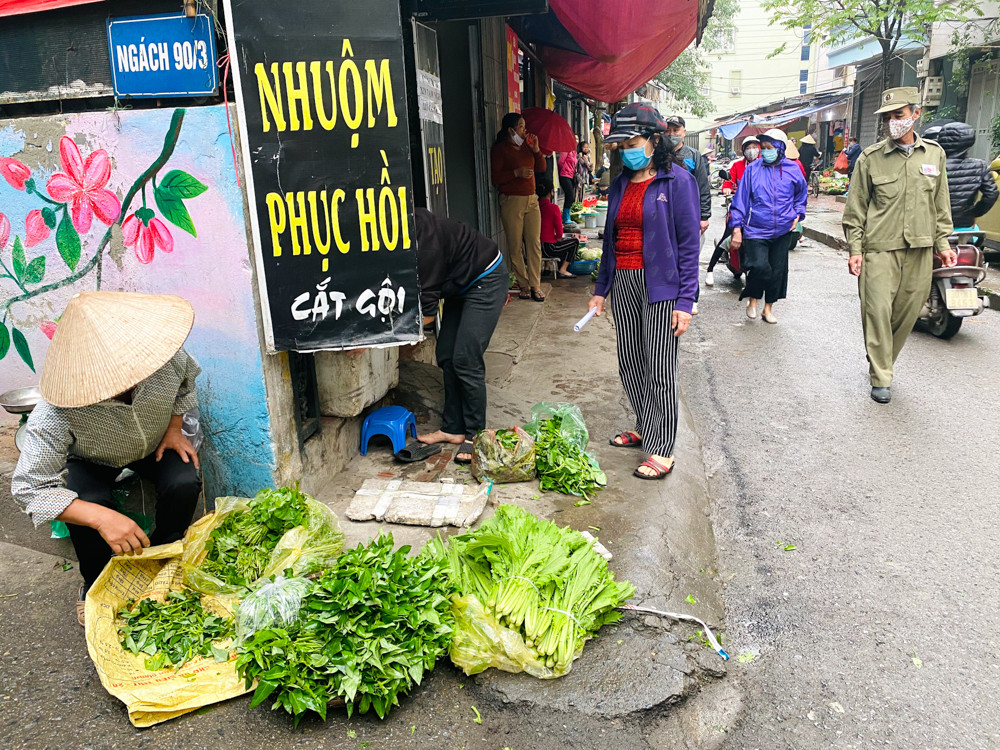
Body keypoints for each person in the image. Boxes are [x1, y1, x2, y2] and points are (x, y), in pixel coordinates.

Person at [11, 291, 202, 626]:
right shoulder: (55, 412)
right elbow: (29, 488)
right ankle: (95, 582)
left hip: (153, 444)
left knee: (185, 480)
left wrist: (174, 428)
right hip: (91, 458)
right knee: (85, 502)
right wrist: (100, 518)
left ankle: (162, 554)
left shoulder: (165, 358)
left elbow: (186, 385)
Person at [588, 103, 700, 480]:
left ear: (654, 141)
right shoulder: (620, 183)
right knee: (632, 362)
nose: (624, 150)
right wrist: (601, 289)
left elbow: (688, 246)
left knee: (660, 366)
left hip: (661, 287)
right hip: (625, 281)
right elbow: (610, 241)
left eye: (631, 142)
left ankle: (663, 447)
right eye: (619, 145)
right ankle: (646, 425)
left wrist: (685, 301)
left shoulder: (678, 182)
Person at [841, 87, 957, 404]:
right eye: (888, 117)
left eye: (899, 115)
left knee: (906, 315)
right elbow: (856, 209)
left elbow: (940, 204)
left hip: (920, 247)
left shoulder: (934, 155)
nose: (893, 122)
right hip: (878, 247)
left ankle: (883, 361)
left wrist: (943, 242)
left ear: (915, 114)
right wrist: (855, 249)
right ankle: (881, 375)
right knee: (876, 310)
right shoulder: (870, 158)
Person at [413, 209, 508, 462]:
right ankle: (452, 429)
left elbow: (426, 317)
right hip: (460, 285)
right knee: (446, 354)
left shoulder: (424, 244)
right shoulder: (399, 236)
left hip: (486, 278)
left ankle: (476, 433)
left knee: (465, 357)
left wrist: (381, 340)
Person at [729, 128, 808, 324]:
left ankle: (768, 308)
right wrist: (736, 229)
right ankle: (753, 301)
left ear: (781, 148)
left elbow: (801, 195)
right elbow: (740, 201)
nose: (765, 151)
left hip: (783, 229)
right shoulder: (752, 170)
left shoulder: (793, 169)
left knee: (777, 271)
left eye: (770, 147)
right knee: (760, 267)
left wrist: (797, 214)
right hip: (756, 229)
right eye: (763, 147)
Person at [490, 112, 547, 301]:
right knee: (515, 245)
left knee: (534, 243)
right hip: (511, 200)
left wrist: (537, 150)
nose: (525, 130)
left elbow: (541, 168)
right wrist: (516, 172)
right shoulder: (500, 150)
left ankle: (535, 285)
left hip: (531, 199)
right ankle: (523, 284)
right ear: (511, 130)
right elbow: (495, 177)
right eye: (521, 126)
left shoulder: (527, 147)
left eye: (524, 126)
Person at [934, 121, 999, 229]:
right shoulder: (979, 165)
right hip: (964, 225)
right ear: (969, 141)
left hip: (934, 226)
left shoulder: (931, 165)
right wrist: (974, 213)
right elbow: (991, 194)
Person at [536, 178, 579, 278]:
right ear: (551, 192)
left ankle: (547, 268)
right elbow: (559, 233)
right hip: (548, 248)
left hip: (536, 247)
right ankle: (563, 270)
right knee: (574, 242)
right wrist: (559, 238)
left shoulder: (535, 207)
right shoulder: (553, 208)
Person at [557, 145, 579, 224]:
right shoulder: (565, 150)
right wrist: (564, 170)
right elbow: (560, 162)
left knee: (570, 197)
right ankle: (566, 217)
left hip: (571, 176)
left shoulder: (574, 152)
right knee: (570, 195)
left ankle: (567, 216)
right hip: (564, 175)